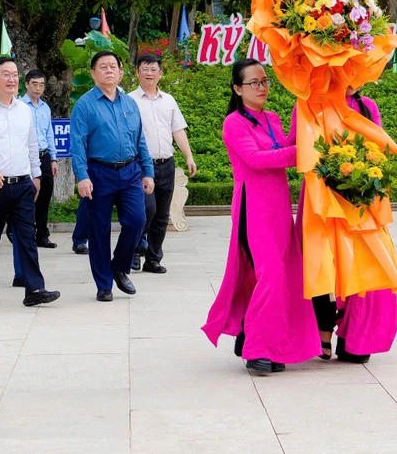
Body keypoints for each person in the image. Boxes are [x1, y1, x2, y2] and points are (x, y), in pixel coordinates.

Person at [202, 59, 320, 375]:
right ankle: (256, 348)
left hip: (280, 209)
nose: (262, 87)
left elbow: (287, 145)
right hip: (253, 210)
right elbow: (255, 159)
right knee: (271, 277)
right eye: (254, 83)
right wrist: (301, 152)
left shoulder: (272, 118)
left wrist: (303, 106)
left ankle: (267, 342)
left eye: (265, 81)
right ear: (238, 89)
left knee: (284, 278)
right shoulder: (234, 123)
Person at [299, 87, 397, 364]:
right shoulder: (310, 102)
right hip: (322, 197)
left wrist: (365, 179)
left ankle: (353, 336)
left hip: (360, 199)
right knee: (322, 265)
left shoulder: (366, 106)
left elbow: (379, 148)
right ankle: (322, 332)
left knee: (364, 266)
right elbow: (302, 147)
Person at [0, 57, 60, 307]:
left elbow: (31, 145)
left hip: (22, 184)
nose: (12, 79)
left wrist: (36, 176)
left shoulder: (24, 110)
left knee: (27, 236)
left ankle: (34, 289)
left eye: (15, 74)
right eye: (6, 74)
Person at [70, 51, 154, 302]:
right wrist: (82, 176)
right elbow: (77, 143)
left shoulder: (129, 103)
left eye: (113, 66)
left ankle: (118, 267)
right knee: (99, 230)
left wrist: (147, 171)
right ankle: (104, 284)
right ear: (93, 73)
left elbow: (140, 140)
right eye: (102, 66)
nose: (109, 70)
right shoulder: (84, 104)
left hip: (129, 172)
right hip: (98, 173)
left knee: (137, 220)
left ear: (120, 72)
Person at [128, 54, 198, 274]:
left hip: (166, 163)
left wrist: (188, 156)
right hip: (141, 165)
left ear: (160, 73)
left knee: (161, 214)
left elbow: (178, 130)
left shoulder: (168, 100)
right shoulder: (129, 101)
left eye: (153, 69)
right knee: (144, 211)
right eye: (145, 69)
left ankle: (153, 258)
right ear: (137, 72)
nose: (149, 73)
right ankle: (134, 250)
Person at [22, 69, 58, 249]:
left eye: (41, 85)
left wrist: (53, 159)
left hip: (44, 155)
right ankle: (24, 232)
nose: (38, 88)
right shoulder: (20, 106)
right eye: (34, 84)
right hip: (26, 157)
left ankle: (42, 234)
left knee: (44, 195)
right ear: (27, 84)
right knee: (28, 195)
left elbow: (49, 134)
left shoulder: (45, 107)